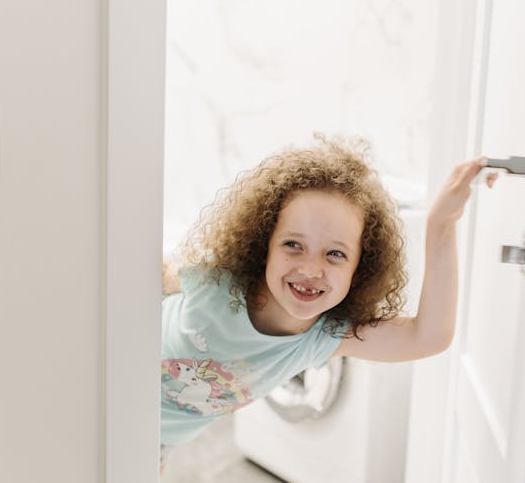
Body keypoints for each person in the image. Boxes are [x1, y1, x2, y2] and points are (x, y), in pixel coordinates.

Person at [159, 134, 493, 471]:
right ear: (265, 245)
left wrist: (441, 226)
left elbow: (429, 337)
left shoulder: (320, 338)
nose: (310, 269)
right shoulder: (215, 279)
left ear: (358, 270)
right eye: (293, 244)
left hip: (153, 440)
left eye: (335, 254)